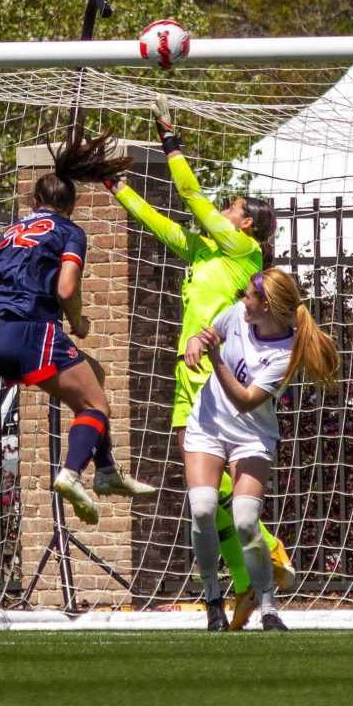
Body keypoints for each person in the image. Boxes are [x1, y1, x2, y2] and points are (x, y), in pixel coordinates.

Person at [114, 93, 295, 627]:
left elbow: (190, 196)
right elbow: (161, 224)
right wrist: (116, 187)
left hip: (222, 376)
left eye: (234, 208)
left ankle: (262, 562)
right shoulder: (207, 251)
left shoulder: (245, 255)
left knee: (221, 497)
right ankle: (243, 584)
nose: (225, 209)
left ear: (246, 226)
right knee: (203, 499)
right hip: (187, 371)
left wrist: (172, 144)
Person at [0, 133, 154, 525]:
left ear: (34, 202)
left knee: (93, 380)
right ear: (71, 205)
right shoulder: (68, 231)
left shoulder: (7, 235)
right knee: (96, 405)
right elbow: (66, 287)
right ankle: (71, 474)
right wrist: (79, 321)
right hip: (31, 329)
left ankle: (105, 471)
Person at [181, 268, 341, 632]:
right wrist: (195, 340)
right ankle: (211, 600)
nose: (242, 300)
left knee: (244, 520)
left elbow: (245, 401)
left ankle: (268, 605)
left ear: (265, 305)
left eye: (248, 296)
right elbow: (208, 335)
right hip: (207, 425)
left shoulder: (286, 353)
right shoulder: (237, 314)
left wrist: (217, 359)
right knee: (203, 509)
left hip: (251, 436)